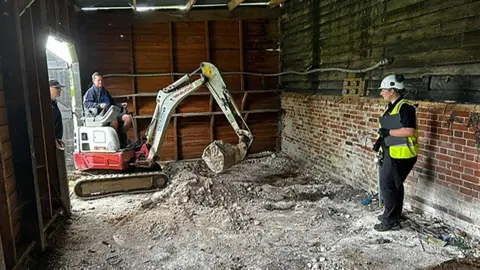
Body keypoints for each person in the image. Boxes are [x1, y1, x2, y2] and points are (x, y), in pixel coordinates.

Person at [373, 74, 419, 232]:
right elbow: (389, 131)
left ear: (392, 90)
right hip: (391, 151)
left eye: (383, 90)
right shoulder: (393, 106)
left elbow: (409, 131)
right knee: (395, 185)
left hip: (401, 155)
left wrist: (388, 131)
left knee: (388, 185)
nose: (381, 93)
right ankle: (394, 214)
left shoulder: (405, 107)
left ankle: (390, 220)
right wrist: (379, 141)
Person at [83, 72, 132, 147]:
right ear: (93, 81)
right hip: (101, 116)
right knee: (114, 120)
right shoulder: (90, 92)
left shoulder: (104, 91)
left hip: (111, 113)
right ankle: (116, 142)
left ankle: (121, 137)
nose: (100, 82)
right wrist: (99, 105)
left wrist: (120, 104)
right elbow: (86, 104)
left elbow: (112, 102)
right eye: (98, 80)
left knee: (128, 118)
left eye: (101, 80)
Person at [50, 79, 65, 150]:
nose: (59, 90)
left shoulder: (54, 103)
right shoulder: (47, 105)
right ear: (50, 89)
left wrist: (59, 140)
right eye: (57, 88)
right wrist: (54, 140)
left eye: (60, 88)